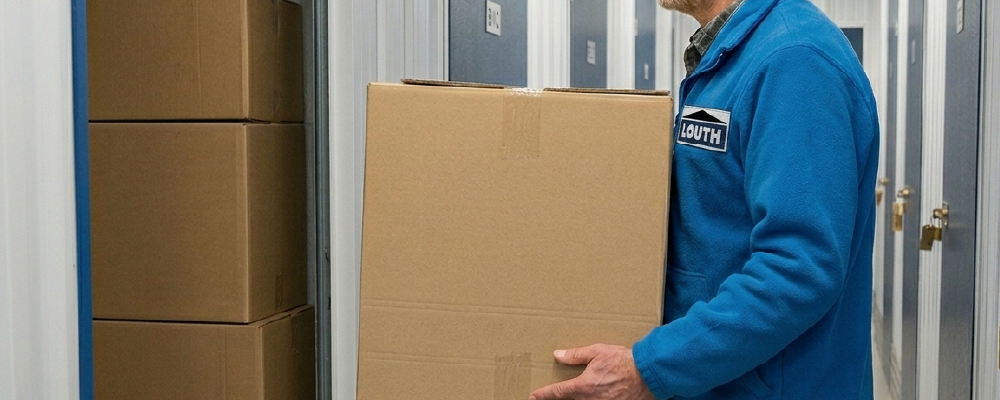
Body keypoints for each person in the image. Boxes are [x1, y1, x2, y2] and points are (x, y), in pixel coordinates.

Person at [528, 0, 879, 398]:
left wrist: (650, 367)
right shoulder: (735, 55)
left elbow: (798, 267)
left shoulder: (794, 61)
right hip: (721, 379)